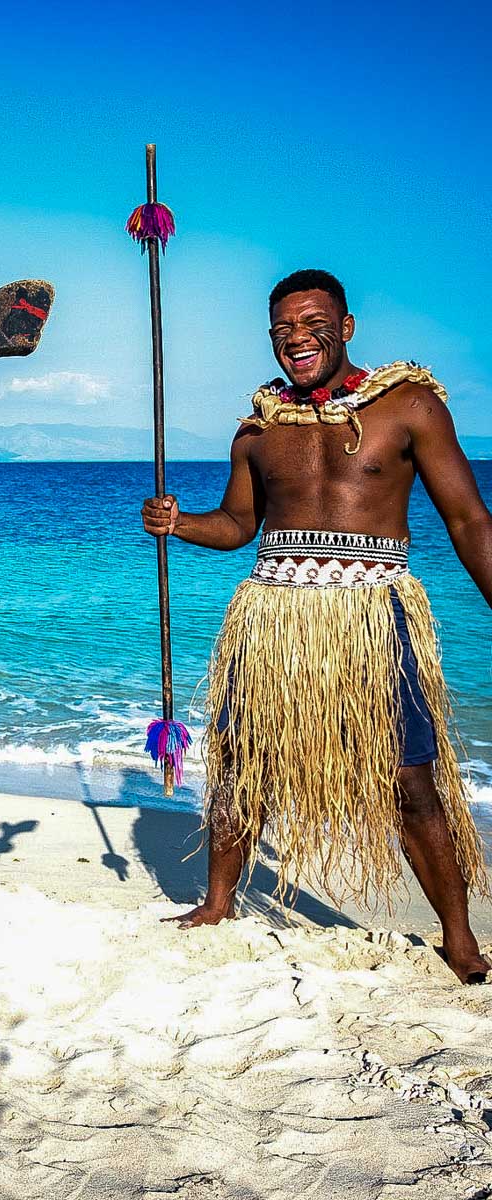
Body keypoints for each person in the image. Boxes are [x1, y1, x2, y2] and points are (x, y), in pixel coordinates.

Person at [142, 268, 491, 984]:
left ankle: (458, 938)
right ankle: (216, 903)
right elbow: (239, 524)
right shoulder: (258, 429)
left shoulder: (409, 405)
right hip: (272, 615)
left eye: (311, 324)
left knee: (410, 777)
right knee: (242, 764)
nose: (297, 339)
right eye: (283, 330)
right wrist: (180, 525)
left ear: (347, 326)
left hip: (370, 615)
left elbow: (468, 519)